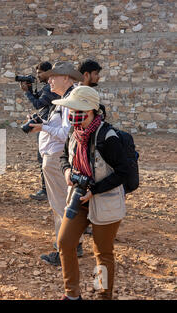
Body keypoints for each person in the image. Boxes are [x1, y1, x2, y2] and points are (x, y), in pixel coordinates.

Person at [57, 86, 129, 300]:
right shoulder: (74, 130)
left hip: (104, 200)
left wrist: (95, 190)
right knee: (65, 242)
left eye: (75, 108)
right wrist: (67, 171)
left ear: (89, 110)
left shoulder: (108, 137)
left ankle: (102, 295)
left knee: (102, 253)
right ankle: (72, 295)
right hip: (78, 197)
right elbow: (63, 157)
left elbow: (123, 172)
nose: (71, 113)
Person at [28, 62, 84, 266]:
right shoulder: (67, 99)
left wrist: (44, 127)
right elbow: (62, 128)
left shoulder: (70, 101)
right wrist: (42, 126)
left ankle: (66, 249)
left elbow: (65, 134)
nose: (49, 80)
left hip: (57, 157)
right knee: (63, 203)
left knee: (61, 204)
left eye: (54, 77)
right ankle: (72, 244)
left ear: (67, 78)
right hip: (56, 157)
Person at [19, 61, 60, 201]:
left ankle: (46, 190)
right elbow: (39, 100)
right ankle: (48, 189)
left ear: (49, 72)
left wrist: (26, 93)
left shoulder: (50, 88)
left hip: (49, 128)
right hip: (49, 126)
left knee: (44, 158)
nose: (38, 76)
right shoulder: (47, 88)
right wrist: (29, 91)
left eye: (40, 73)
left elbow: (38, 104)